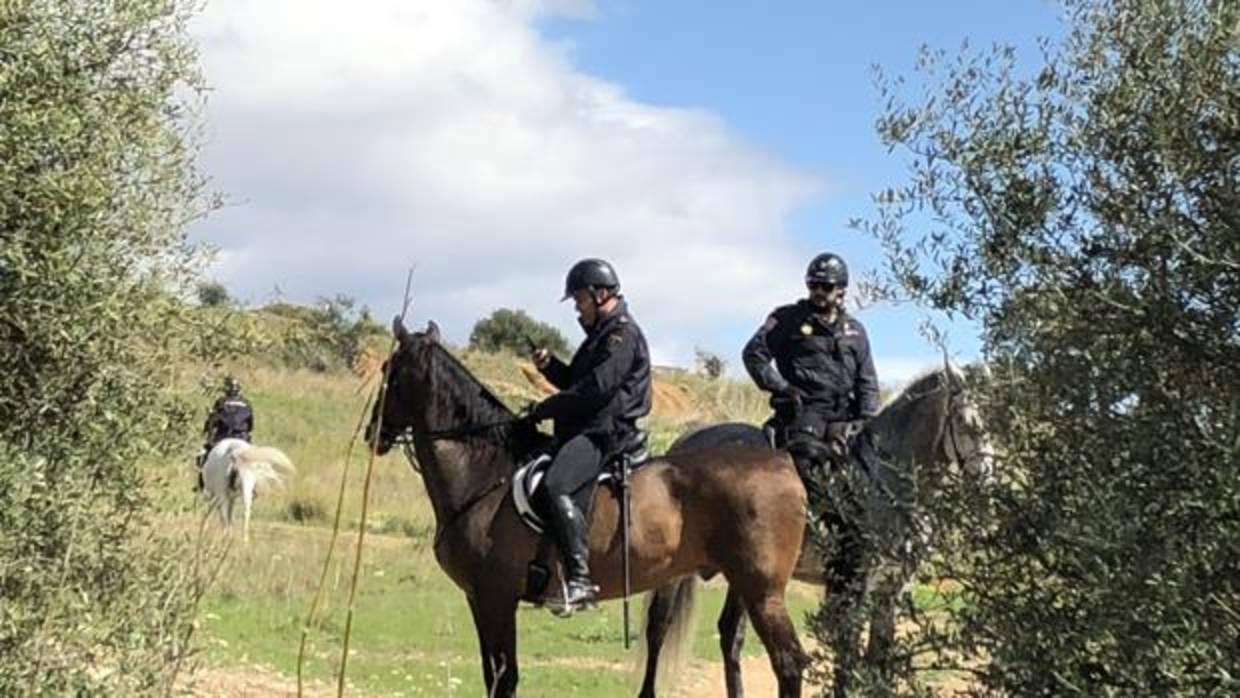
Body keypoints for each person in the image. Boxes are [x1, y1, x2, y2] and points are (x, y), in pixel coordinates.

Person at [741, 251, 879, 595]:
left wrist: (867, 421)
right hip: (803, 418)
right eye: (814, 285)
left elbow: (867, 383)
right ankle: (808, 545)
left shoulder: (855, 332)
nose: (819, 292)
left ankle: (857, 554)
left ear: (841, 290)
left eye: (826, 287)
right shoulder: (787, 319)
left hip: (845, 422)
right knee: (812, 473)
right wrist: (781, 387)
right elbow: (754, 355)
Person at [524, 258, 652, 615]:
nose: (577, 308)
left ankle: (580, 579)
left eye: (580, 299)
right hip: (590, 426)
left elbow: (595, 390)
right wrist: (550, 366)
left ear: (600, 295)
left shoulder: (621, 334)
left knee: (556, 485)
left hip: (605, 431)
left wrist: (545, 409)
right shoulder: (600, 336)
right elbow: (576, 383)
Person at [196, 376, 254, 491]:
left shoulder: (221, 402)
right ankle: (254, 488)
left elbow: (213, 421)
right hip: (242, 437)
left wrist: (207, 432)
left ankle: (202, 485)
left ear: (226, 390)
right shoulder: (247, 403)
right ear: (239, 389)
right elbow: (251, 425)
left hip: (223, 437)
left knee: (204, 456)